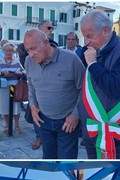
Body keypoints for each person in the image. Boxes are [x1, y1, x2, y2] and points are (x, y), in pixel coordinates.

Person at [77, 9, 120, 159]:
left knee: (116, 171)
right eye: (84, 36)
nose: (86, 42)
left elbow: (115, 89)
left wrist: (93, 64)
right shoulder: (89, 50)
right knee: (94, 170)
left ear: (105, 31)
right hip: (91, 126)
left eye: (89, 36)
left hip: (116, 129)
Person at [24, 29, 85, 159]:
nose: (31, 54)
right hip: (43, 119)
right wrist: (33, 105)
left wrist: (75, 115)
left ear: (46, 42)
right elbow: (31, 85)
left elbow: (85, 89)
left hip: (67, 121)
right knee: (48, 159)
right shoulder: (29, 61)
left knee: (66, 162)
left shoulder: (71, 60)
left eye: (33, 48)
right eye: (28, 50)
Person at [17, 20, 58, 151]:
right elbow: (26, 63)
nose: (51, 30)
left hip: (52, 90)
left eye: (52, 28)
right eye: (48, 28)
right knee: (35, 113)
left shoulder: (55, 46)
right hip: (37, 86)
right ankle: (38, 137)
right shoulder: (24, 48)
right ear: (40, 29)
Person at [0, 42, 25, 134]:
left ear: (13, 51)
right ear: (4, 51)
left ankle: (17, 124)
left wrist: (20, 73)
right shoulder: (0, 61)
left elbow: (24, 71)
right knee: (4, 106)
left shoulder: (16, 61)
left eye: (10, 51)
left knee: (15, 106)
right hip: (3, 87)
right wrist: (2, 73)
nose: (8, 53)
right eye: (7, 51)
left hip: (14, 87)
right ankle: (6, 124)